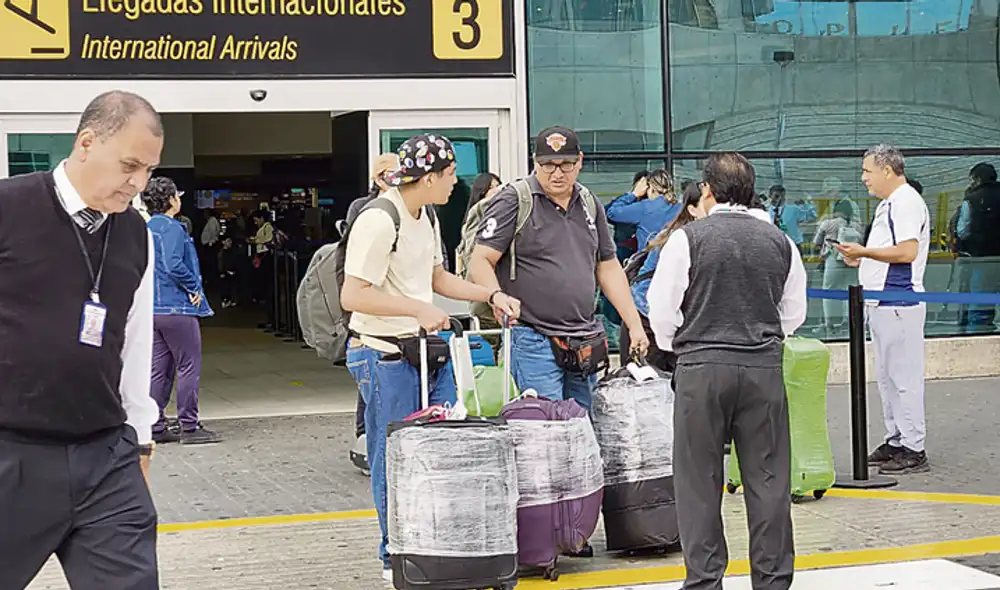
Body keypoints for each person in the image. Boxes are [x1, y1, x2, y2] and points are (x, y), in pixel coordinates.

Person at [340, 133, 520, 584]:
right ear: (427, 177)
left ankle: (432, 544)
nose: (455, 181)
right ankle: (393, 553)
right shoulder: (380, 219)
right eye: (449, 173)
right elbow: (353, 294)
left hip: (424, 352)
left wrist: (491, 294)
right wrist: (417, 309)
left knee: (439, 449)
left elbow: (438, 277)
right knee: (395, 455)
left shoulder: (428, 215)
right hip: (383, 354)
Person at [0, 90, 162, 589]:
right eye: (130, 165)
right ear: (87, 143)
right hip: (12, 453)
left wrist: (140, 440)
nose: (138, 183)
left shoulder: (139, 234)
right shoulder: (9, 208)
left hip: (105, 461)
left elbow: (134, 342)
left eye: (150, 171)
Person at [647, 153, 807, 590]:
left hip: (701, 367)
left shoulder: (688, 239)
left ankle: (704, 581)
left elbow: (661, 310)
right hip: (763, 369)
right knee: (769, 482)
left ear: (709, 191)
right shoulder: (780, 242)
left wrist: (678, 343)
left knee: (699, 483)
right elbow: (793, 315)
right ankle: (773, 581)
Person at [468, 125, 649, 411]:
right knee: (547, 433)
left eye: (565, 164)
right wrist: (496, 296)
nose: (557, 173)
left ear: (580, 161)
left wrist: (634, 324)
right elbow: (480, 259)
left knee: (584, 431)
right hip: (532, 337)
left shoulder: (589, 203)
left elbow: (608, 266)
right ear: (534, 162)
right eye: (547, 165)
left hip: (583, 337)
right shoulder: (514, 200)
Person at [836, 143, 931, 475]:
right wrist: (861, 255)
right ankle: (896, 439)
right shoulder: (892, 203)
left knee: (902, 377)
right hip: (884, 301)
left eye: (867, 171)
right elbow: (891, 251)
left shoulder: (905, 203)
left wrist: (863, 251)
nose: (864, 178)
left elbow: (906, 252)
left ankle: (914, 447)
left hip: (899, 300)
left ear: (887, 170)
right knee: (888, 378)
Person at [142, 177, 221, 446]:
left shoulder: (144, 228)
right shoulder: (174, 229)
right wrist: (193, 287)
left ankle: (155, 424)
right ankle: (189, 424)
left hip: (152, 308)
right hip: (177, 307)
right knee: (188, 366)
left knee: (158, 370)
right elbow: (174, 264)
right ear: (171, 200)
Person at [620, 180, 707, 371]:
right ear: (692, 210)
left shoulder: (692, 235)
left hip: (665, 322)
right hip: (648, 321)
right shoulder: (681, 240)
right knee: (650, 390)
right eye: (708, 204)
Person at [606, 168, 681, 251]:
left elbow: (612, 213)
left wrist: (633, 194)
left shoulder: (645, 207)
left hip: (649, 259)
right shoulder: (680, 207)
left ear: (650, 188)